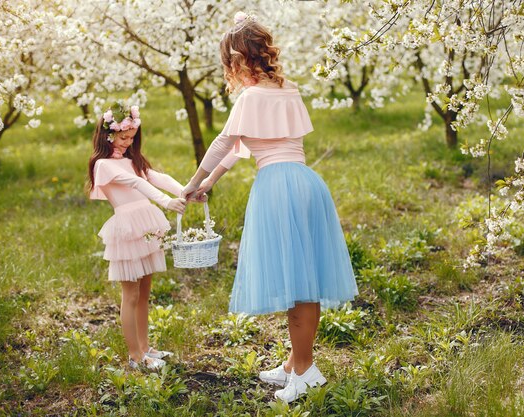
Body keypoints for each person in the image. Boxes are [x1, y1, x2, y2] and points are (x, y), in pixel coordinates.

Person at [182, 12, 358, 403]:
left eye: (230, 61)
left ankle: (306, 371)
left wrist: (191, 185)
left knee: (296, 285)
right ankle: (296, 363)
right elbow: (246, 145)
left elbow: (223, 144)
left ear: (240, 59)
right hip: (306, 182)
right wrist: (210, 182)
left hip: (278, 188)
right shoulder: (287, 89)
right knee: (305, 277)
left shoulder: (251, 97)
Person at [88, 102, 186, 370]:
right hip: (128, 228)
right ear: (108, 136)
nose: (128, 142)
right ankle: (135, 355)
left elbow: (155, 177)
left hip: (146, 224)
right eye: (123, 137)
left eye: (131, 137)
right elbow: (136, 183)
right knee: (130, 294)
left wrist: (186, 191)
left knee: (144, 292)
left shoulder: (133, 160)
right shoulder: (103, 165)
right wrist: (166, 203)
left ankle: (145, 347)